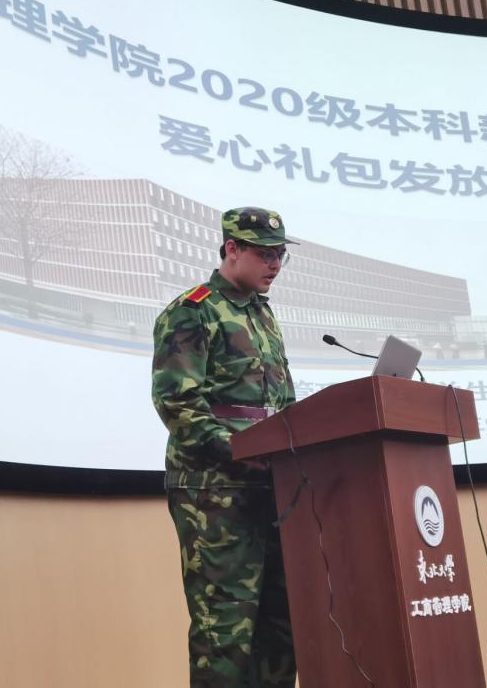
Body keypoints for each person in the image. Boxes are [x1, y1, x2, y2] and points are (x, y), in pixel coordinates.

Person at [152, 207, 298, 688]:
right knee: (224, 634)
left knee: (281, 628)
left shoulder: (262, 314)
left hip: (272, 487)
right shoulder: (192, 310)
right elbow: (178, 404)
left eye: (280, 255)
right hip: (216, 493)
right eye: (264, 254)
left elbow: (281, 402)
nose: (274, 264)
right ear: (231, 248)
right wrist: (241, 451)